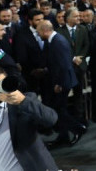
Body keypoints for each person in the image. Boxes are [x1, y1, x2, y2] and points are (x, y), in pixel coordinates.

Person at [36, 20, 86, 148]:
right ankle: (63, 137)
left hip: (63, 81)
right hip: (61, 80)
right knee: (59, 109)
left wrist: (59, 83)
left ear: (45, 30)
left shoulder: (58, 41)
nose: (38, 34)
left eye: (39, 32)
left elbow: (64, 65)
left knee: (59, 109)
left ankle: (78, 128)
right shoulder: (55, 40)